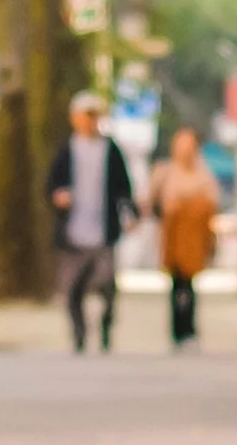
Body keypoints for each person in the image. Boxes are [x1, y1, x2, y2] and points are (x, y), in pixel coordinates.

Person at [46, 91, 136, 353]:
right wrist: (58, 197)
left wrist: (129, 214)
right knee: (73, 288)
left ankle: (106, 328)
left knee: (107, 285)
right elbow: (51, 185)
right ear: (75, 118)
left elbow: (123, 187)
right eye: (85, 115)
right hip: (73, 230)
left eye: (94, 115)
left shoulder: (110, 149)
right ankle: (79, 334)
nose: (90, 121)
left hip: (103, 229)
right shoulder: (66, 150)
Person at [149, 127, 221, 348]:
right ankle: (177, 331)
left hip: (194, 238)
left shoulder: (203, 175)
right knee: (176, 284)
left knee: (189, 284)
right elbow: (153, 204)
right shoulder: (165, 173)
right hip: (173, 236)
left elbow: (212, 204)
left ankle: (189, 329)